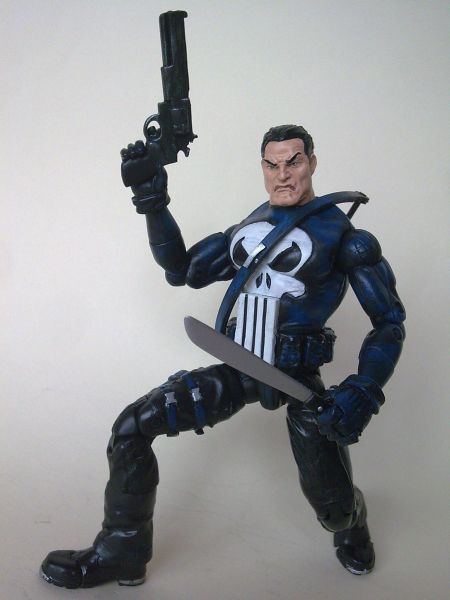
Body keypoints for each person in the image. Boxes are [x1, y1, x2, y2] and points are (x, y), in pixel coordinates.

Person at [40, 125, 405, 589]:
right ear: (263, 168)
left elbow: (389, 321)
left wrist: (363, 389)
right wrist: (152, 200)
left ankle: (353, 520)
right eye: (272, 164)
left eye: (293, 162)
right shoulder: (249, 229)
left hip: (298, 380)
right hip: (240, 367)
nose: (282, 174)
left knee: (334, 510)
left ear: (312, 163)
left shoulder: (345, 238)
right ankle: (122, 552)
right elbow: (182, 268)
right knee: (132, 427)